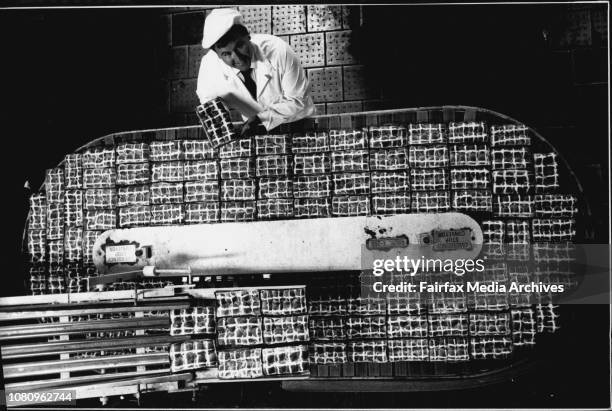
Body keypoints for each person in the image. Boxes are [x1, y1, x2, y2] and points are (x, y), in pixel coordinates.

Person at [196, 8, 315, 137]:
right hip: (254, 131)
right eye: (226, 54)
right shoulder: (209, 65)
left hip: (299, 125)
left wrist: (259, 118)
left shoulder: (279, 50)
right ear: (217, 55)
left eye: (240, 46)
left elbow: (298, 100)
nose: (238, 58)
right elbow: (211, 108)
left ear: (248, 36)